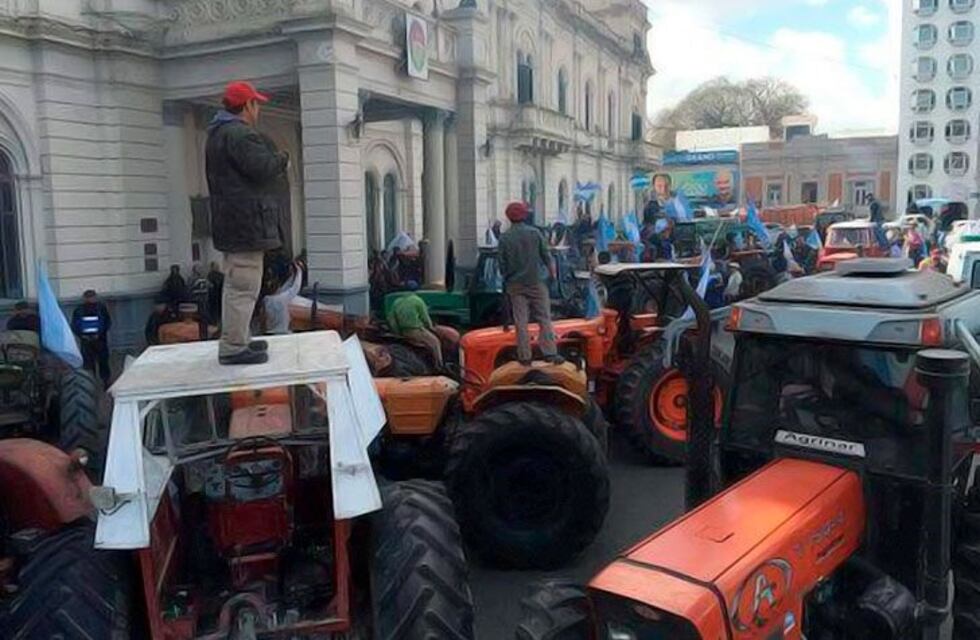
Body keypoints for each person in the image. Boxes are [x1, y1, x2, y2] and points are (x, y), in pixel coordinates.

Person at [206, 80, 289, 365]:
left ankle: (239, 339)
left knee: (240, 284)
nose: (259, 110)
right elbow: (263, 168)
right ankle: (233, 346)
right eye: (257, 104)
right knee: (243, 284)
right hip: (246, 226)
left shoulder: (219, 134)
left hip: (235, 225)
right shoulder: (239, 135)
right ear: (247, 106)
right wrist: (282, 159)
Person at [498, 201, 563, 366]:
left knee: (521, 321)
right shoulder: (535, 233)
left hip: (515, 285)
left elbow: (502, 264)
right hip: (536, 282)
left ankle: (525, 356)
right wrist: (552, 273)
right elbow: (546, 256)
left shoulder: (505, 238)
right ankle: (550, 353)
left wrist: (508, 278)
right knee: (544, 318)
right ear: (524, 215)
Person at [386, 294, 444, 369]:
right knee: (435, 342)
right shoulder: (418, 301)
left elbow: (392, 320)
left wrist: (398, 333)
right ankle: (439, 365)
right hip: (416, 330)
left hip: (403, 331)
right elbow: (425, 318)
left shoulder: (397, 302)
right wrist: (431, 327)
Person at [71, 290, 112, 387]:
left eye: (92, 297)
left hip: (99, 340)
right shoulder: (79, 310)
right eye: (89, 297)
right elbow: (75, 325)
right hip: (87, 341)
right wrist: (82, 336)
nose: (91, 299)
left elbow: (107, 322)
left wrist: (100, 334)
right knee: (89, 364)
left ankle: (105, 381)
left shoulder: (101, 308)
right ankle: (92, 382)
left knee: (103, 362)